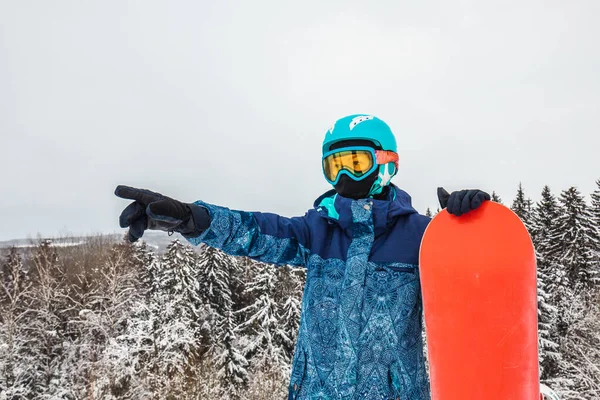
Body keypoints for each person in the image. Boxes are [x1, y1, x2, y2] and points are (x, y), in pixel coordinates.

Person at [115, 114, 490, 400]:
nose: (345, 174)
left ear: (387, 163)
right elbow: (254, 232)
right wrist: (191, 218)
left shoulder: (422, 237)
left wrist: (470, 229)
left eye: (356, 163)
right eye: (335, 166)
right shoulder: (318, 230)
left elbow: (477, 291)